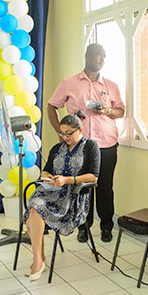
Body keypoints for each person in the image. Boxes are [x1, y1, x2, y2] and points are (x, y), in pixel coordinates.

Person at [48, 43, 125, 243]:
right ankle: (83, 227)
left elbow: (120, 111)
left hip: (107, 145)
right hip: (80, 146)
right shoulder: (69, 82)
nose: (101, 59)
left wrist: (107, 110)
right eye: (98, 55)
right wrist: (60, 131)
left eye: (104, 56)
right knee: (82, 188)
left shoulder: (111, 86)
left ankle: (107, 227)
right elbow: (51, 106)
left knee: (105, 187)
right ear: (88, 56)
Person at [24, 112, 100, 281]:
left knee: (34, 214)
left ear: (80, 130)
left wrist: (67, 180)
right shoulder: (57, 148)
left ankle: (38, 261)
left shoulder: (91, 147)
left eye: (69, 133)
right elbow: (45, 170)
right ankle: (39, 259)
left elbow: (93, 176)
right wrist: (48, 177)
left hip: (73, 197)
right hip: (50, 192)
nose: (65, 137)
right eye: (62, 133)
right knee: (35, 208)